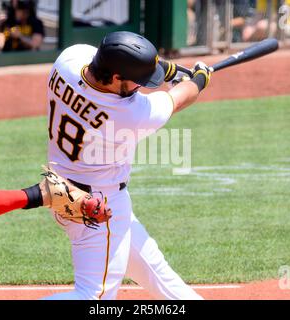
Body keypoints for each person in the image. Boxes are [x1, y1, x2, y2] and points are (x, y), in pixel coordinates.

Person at [42, 31, 211, 300]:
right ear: (116, 78)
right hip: (98, 208)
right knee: (94, 298)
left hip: (58, 193)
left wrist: (165, 69)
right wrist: (199, 79)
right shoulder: (128, 114)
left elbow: (121, 62)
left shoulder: (68, 60)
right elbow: (179, 97)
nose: (141, 88)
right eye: (137, 82)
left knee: (155, 271)